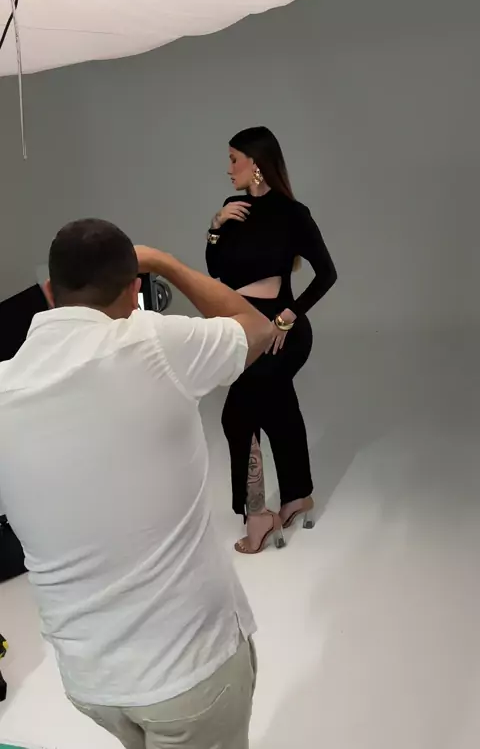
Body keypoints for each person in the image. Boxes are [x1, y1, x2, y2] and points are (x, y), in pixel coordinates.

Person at [0, 219, 274, 749]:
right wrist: (166, 262)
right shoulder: (155, 342)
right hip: (188, 673)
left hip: (90, 681)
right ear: (133, 289)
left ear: (51, 291)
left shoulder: (3, 386)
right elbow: (257, 328)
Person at [206, 127, 337, 554]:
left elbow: (327, 273)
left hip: (281, 332)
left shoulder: (292, 214)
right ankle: (298, 496)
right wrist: (215, 227)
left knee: (237, 415)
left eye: (234, 159)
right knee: (279, 408)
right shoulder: (234, 208)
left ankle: (257, 515)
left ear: (256, 161)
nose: (228, 169)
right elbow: (217, 271)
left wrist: (288, 315)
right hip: (244, 329)